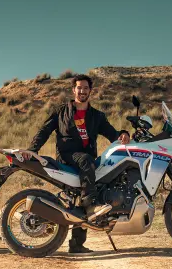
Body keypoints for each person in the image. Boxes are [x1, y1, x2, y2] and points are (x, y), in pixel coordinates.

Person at [24, 74, 130, 253]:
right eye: (79, 88)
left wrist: (124, 133)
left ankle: (76, 244)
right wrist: (33, 149)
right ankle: (92, 206)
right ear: (73, 90)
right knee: (88, 189)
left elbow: (113, 134)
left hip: (87, 160)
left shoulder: (97, 116)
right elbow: (45, 130)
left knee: (84, 193)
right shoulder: (61, 111)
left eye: (86, 88)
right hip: (68, 156)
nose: (82, 91)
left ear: (90, 91)